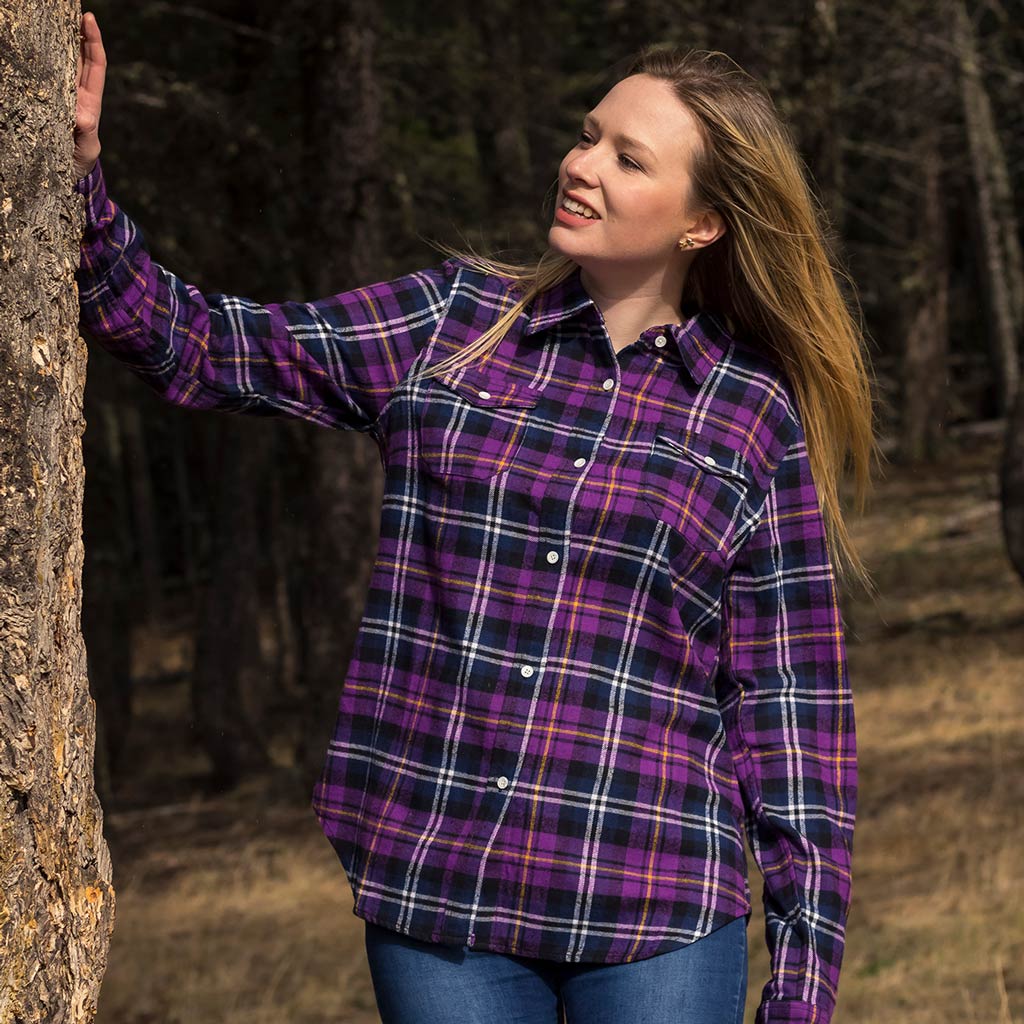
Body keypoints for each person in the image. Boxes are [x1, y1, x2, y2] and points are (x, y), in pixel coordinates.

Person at [73, 12, 877, 1024]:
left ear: (700, 223)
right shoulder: (455, 323)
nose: (580, 165)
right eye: (587, 134)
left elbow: (791, 715)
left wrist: (802, 985)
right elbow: (200, 344)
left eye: (627, 158)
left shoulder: (750, 415)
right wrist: (79, 174)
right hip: (442, 899)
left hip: (652, 904)